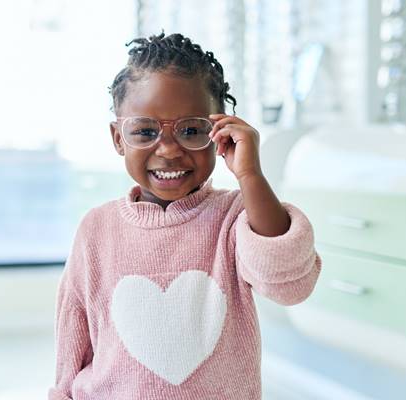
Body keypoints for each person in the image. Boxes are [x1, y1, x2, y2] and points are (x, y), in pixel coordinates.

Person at [48, 32, 321, 400]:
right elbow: (73, 335)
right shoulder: (96, 229)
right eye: (144, 131)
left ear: (219, 133)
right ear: (118, 139)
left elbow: (290, 284)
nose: (169, 150)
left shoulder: (236, 216)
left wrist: (250, 175)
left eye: (191, 131)